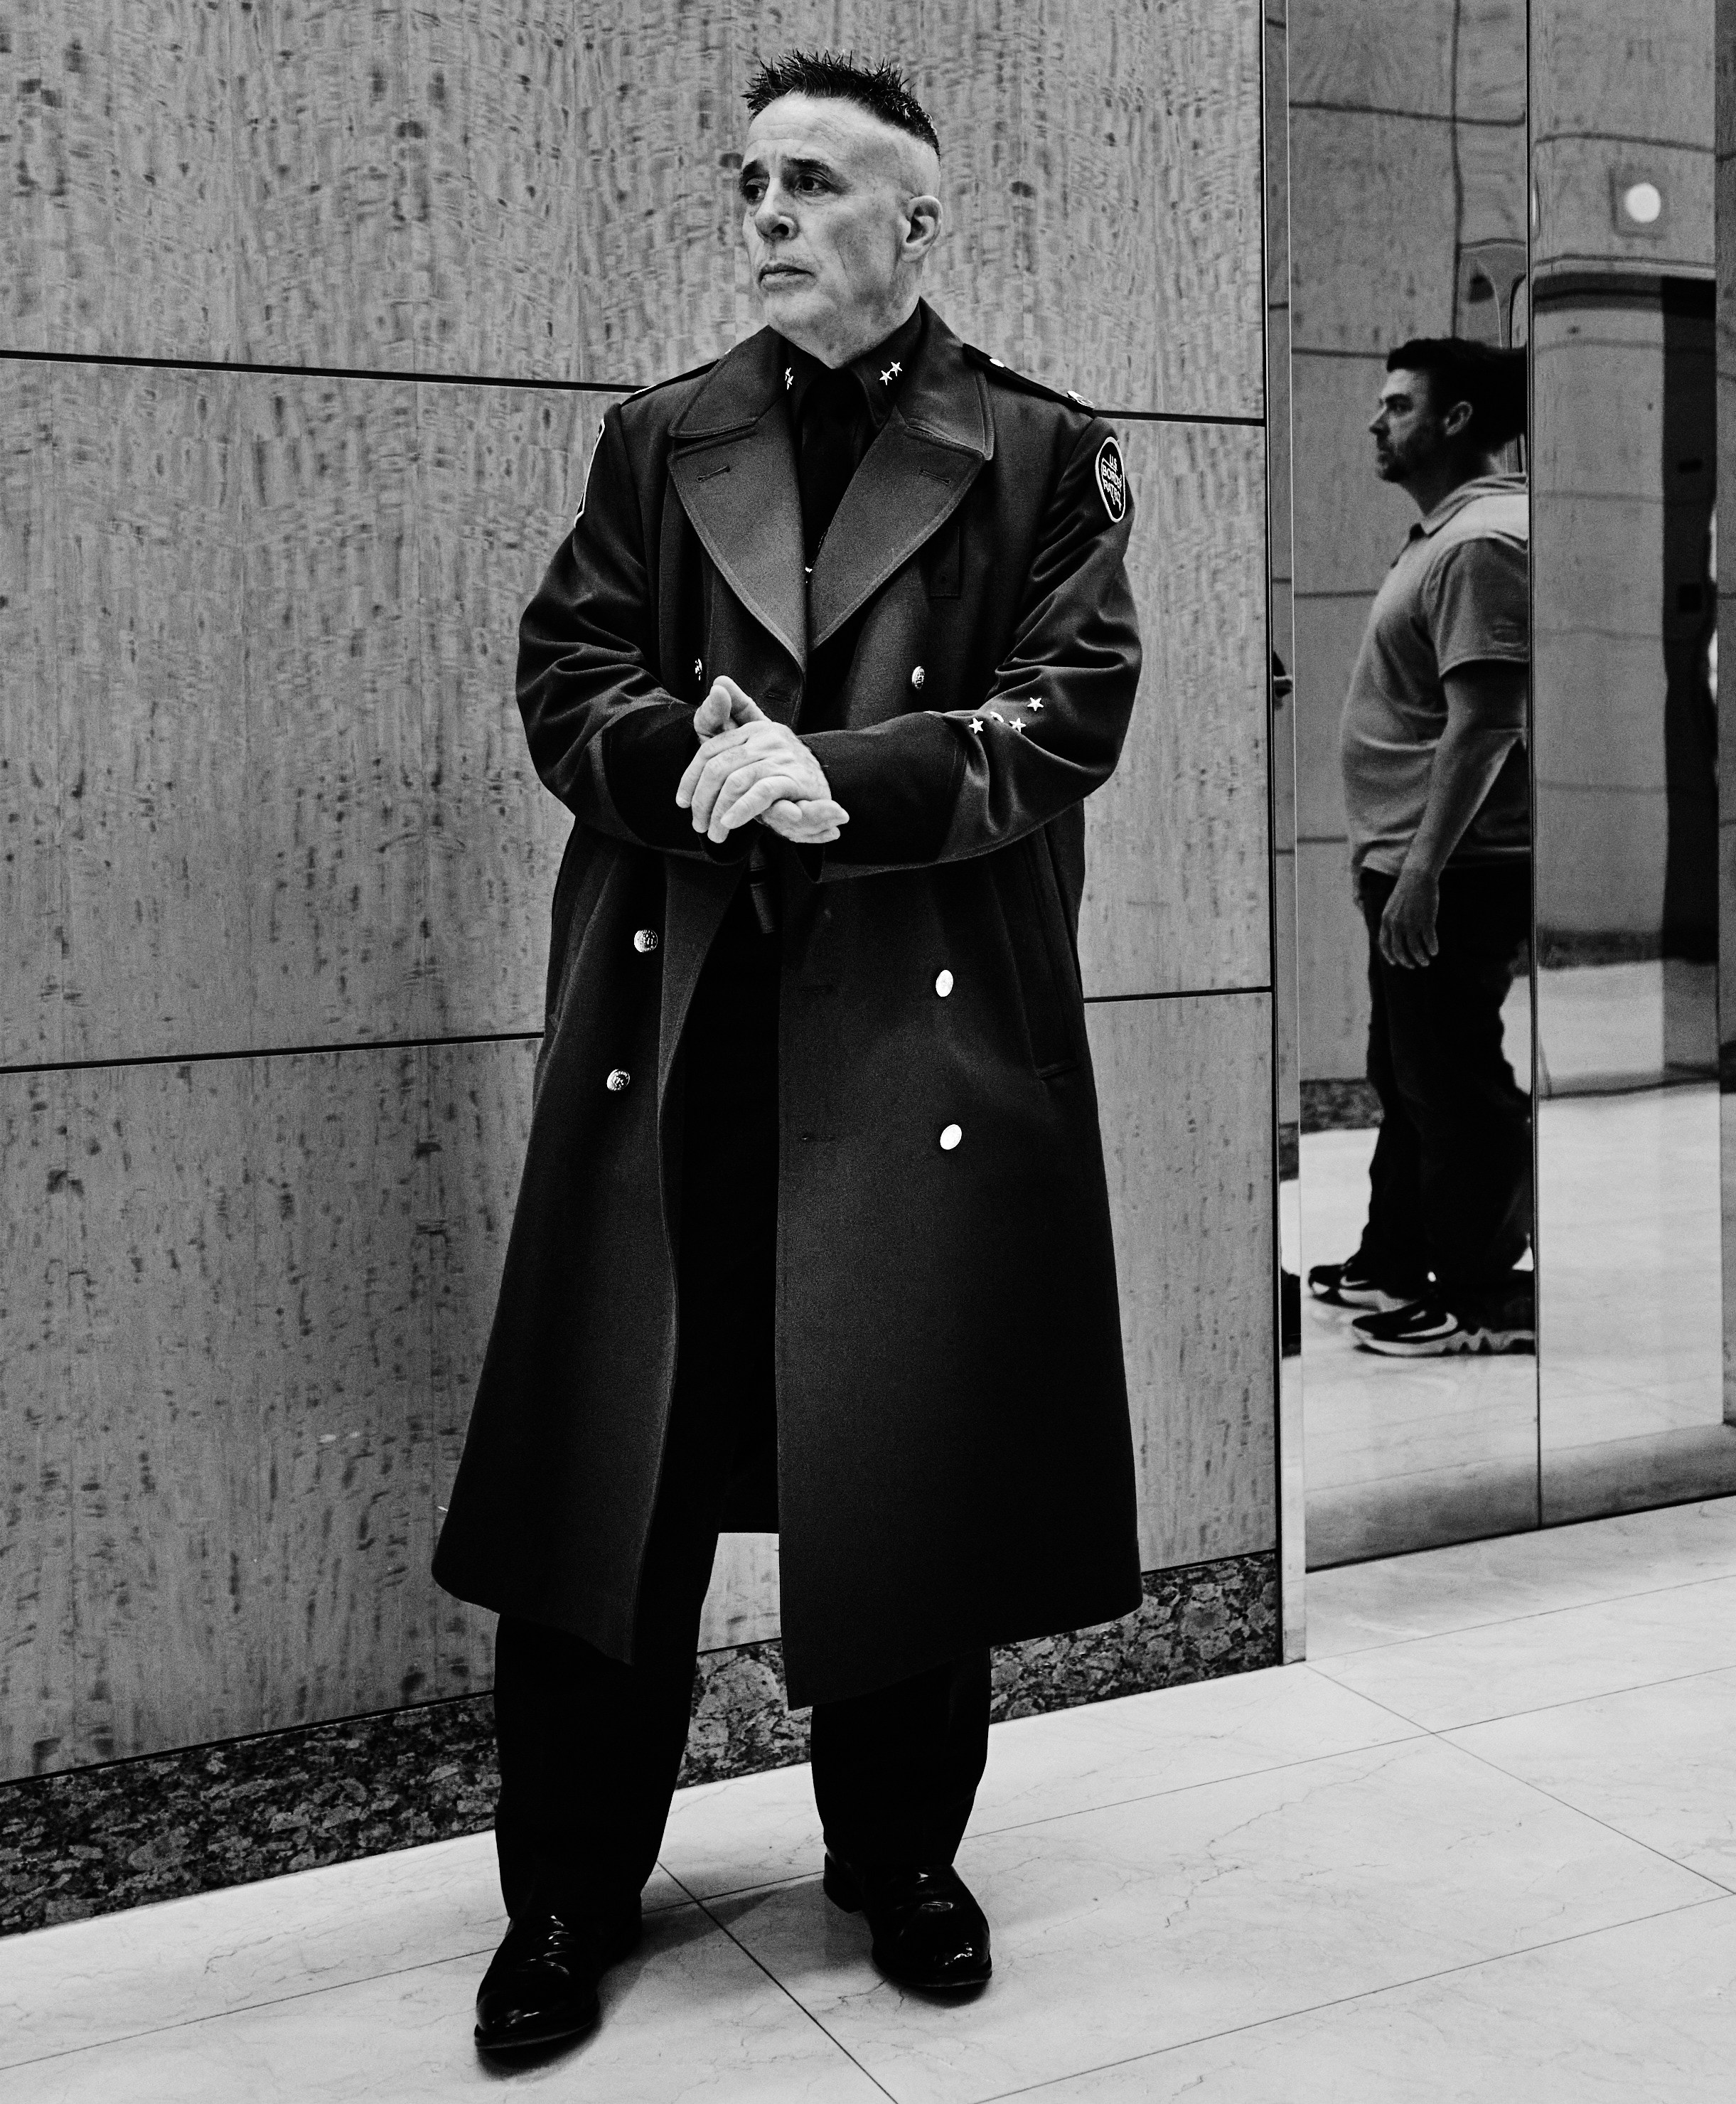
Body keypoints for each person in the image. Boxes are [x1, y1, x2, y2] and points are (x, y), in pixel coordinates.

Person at [431, 50, 1145, 2054]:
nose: (767, 213)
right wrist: (698, 767)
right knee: (614, 1480)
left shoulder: (1038, 449)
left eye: (816, 184)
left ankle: (899, 1857)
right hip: (672, 1027)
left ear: (914, 224)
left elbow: (1071, 701)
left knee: (898, 1452)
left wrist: (847, 781)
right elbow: (569, 670)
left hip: (910, 1041)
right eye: (750, 180)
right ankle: (563, 1896)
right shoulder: (660, 438)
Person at [1306, 338, 1533, 1355]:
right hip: (1410, 861)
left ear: (1456, 419)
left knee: (1453, 1081)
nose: (1375, 422)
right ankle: (1395, 1257)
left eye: (1397, 405)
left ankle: (1479, 1294)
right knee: (1407, 1072)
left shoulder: (1483, 540)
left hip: (1456, 867)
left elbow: (1487, 721)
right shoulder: (1442, 535)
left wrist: (1425, 873)